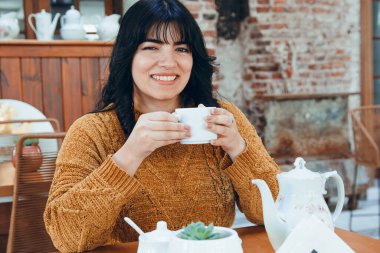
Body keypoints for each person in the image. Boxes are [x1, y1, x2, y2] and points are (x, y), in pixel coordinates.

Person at [44, 0, 281, 252]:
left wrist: (239, 149)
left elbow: (275, 212)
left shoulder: (222, 117)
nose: (168, 62)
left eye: (181, 49)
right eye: (151, 47)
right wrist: (129, 155)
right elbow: (66, 237)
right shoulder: (91, 131)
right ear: (128, 55)